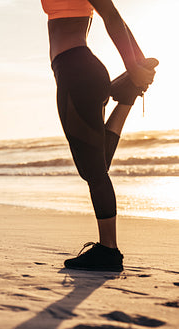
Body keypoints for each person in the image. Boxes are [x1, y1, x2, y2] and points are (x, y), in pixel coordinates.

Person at [41, 0, 158, 271]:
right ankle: (126, 96)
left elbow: (112, 15)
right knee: (95, 166)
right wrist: (137, 64)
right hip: (78, 72)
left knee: (93, 171)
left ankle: (109, 250)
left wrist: (134, 67)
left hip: (75, 73)